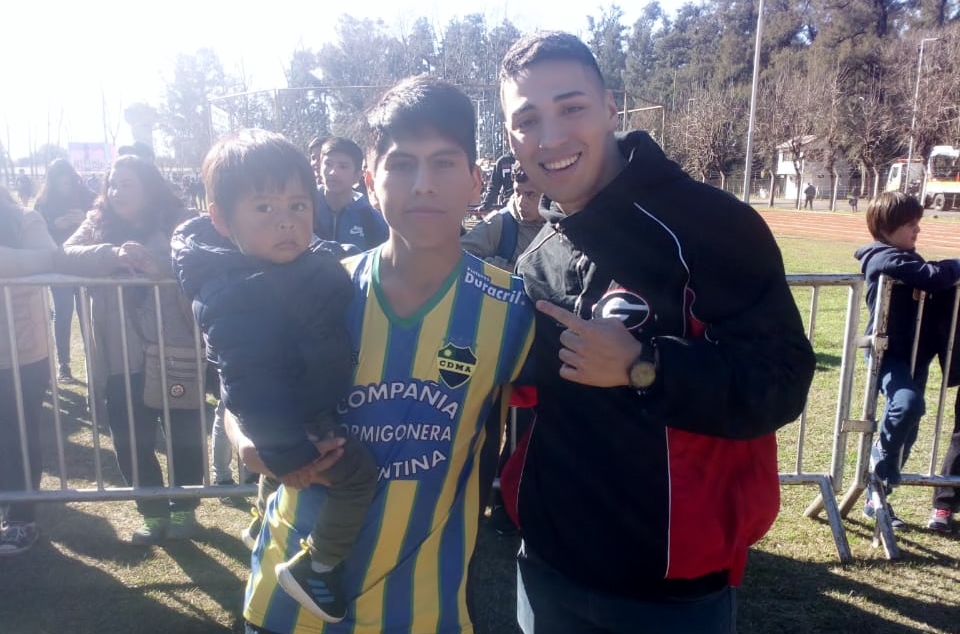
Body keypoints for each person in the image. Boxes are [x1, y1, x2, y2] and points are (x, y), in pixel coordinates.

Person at [499, 31, 816, 634]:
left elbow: (782, 381)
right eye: (527, 119)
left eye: (571, 108)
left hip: (669, 596)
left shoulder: (711, 226)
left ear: (611, 108)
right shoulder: (537, 256)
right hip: (545, 570)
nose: (551, 137)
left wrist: (644, 367)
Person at [236, 75, 535, 634]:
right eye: (401, 165)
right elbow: (241, 387)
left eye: (444, 163)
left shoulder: (514, 311)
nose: (423, 185)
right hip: (286, 605)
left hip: (422, 609)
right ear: (370, 182)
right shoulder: (312, 288)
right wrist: (245, 440)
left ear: (475, 180)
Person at [172, 128, 377, 623]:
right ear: (222, 220)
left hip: (299, 407)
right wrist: (290, 457)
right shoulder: (237, 292)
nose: (286, 221)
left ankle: (260, 516)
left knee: (283, 482)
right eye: (264, 208)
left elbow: (319, 259)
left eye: (297, 206)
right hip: (292, 421)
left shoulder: (279, 263)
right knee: (357, 475)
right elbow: (251, 386)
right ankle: (319, 566)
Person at [62, 154, 205, 544]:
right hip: (120, 351)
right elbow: (64, 254)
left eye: (127, 183)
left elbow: (204, 259)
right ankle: (152, 511)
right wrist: (111, 255)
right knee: (129, 436)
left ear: (149, 187)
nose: (116, 192)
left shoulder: (181, 220)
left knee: (183, 432)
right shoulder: (96, 225)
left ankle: (184, 508)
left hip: (174, 345)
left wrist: (160, 266)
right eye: (112, 184)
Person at [854, 191, 960, 529]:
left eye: (918, 223)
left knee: (908, 431)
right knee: (907, 404)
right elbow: (933, 276)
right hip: (889, 354)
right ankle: (879, 466)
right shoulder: (882, 258)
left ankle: (877, 498)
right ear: (886, 228)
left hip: (916, 355)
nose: (918, 230)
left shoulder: (909, 259)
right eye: (910, 224)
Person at [0, 189, 57, 556]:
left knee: (17, 435)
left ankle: (20, 518)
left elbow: (49, 260)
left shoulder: (23, 218)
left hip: (19, 354)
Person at [33, 158, 96, 383]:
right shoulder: (43, 202)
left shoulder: (87, 195)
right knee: (63, 311)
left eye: (67, 182)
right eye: (60, 183)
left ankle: (93, 360)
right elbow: (35, 232)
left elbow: (102, 218)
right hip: (58, 264)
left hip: (84, 261)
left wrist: (86, 218)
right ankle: (64, 364)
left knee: (87, 313)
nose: (64, 187)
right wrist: (53, 225)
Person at [460, 162, 545, 271]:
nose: (521, 203)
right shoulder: (499, 223)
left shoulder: (559, 226)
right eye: (517, 192)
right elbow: (458, 257)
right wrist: (507, 270)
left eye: (531, 195)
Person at [313, 136, 388, 252]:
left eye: (343, 166)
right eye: (328, 164)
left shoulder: (370, 219)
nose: (333, 172)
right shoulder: (306, 205)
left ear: (358, 175)